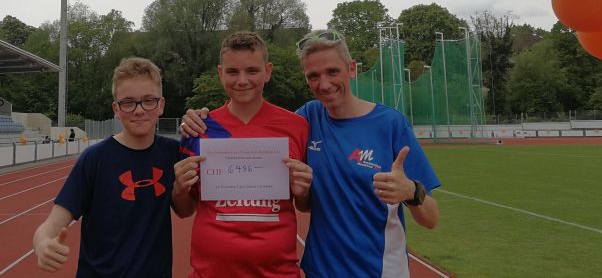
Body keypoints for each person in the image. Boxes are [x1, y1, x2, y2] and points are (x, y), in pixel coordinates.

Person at [182, 29, 440, 277]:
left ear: (352, 69)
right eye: (313, 75)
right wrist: (196, 116)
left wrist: (410, 191)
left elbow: (431, 219)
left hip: (379, 270)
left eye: (332, 72)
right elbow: (256, 126)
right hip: (319, 269)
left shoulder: (390, 124)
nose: (324, 84)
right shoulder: (306, 119)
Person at [174, 31, 312, 278]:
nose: (242, 80)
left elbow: (303, 204)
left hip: (278, 272)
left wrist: (303, 192)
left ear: (267, 71)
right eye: (232, 72)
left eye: (252, 70)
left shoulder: (297, 126)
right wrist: (179, 188)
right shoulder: (199, 127)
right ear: (220, 73)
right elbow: (185, 210)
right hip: (211, 272)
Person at [32, 57, 182, 276]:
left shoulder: (173, 153)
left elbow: (186, 209)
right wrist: (43, 244)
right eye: (128, 102)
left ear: (161, 105)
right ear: (116, 109)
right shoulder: (95, 159)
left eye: (148, 100)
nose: (139, 110)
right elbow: (51, 225)